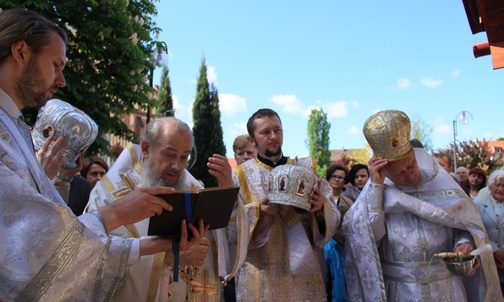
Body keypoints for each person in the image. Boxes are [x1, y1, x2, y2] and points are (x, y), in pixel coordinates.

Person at [0, 9, 201, 300]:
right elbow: (41, 248)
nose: (61, 81)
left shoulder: (12, 126)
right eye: (56, 65)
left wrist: (162, 245)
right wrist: (118, 211)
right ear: (20, 51)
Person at [343, 109, 502, 301]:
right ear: (385, 173)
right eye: (400, 173)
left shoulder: (439, 182)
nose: (409, 174)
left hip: (446, 288)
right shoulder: (378, 193)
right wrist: (376, 189)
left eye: (411, 165)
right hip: (401, 291)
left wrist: (464, 243)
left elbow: (464, 224)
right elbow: (367, 238)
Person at [87, 117, 248, 302]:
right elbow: (94, 257)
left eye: (183, 157)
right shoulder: (110, 193)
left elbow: (226, 246)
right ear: (147, 149)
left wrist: (227, 195)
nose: (177, 166)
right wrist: (167, 256)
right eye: (169, 155)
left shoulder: (192, 189)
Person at [232, 108, 339, 301]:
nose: (273, 136)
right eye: (265, 132)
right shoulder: (240, 176)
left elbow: (334, 213)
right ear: (252, 139)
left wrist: (321, 207)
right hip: (263, 274)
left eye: (277, 130)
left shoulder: (306, 169)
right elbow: (231, 225)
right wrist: (259, 212)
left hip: (304, 278)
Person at [324, 164, 353, 301]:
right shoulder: (321, 199)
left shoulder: (349, 202)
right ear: (329, 178)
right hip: (323, 245)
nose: (337, 179)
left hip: (341, 246)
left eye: (340, 177)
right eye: (334, 176)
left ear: (345, 180)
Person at [473, 169, 504, 296]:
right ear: (489, 186)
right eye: (497, 185)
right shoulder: (477, 204)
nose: (501, 189)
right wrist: (495, 250)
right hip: (487, 258)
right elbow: (475, 230)